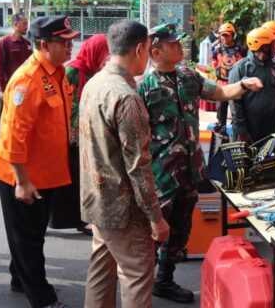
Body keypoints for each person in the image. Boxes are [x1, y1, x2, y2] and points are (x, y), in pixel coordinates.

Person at [138, 23, 263, 303]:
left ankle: (164, 281)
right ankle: (140, 289)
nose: (180, 46)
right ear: (156, 52)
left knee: (181, 229)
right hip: (161, 175)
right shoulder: (143, 88)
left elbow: (219, 93)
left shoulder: (187, 76)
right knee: (154, 233)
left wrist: (243, 84)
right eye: (173, 44)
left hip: (190, 171)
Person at [80, 19, 170, 308]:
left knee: (101, 274)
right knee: (136, 275)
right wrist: (155, 216)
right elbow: (139, 167)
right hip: (124, 210)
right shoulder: (127, 98)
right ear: (140, 49)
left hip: (96, 199)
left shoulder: (94, 83)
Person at [0, 15, 78, 308]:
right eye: (63, 42)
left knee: (31, 233)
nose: (71, 46)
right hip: (24, 176)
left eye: (70, 40)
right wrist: (23, 182)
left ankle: (20, 276)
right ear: (43, 45)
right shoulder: (27, 80)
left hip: (47, 172)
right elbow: (14, 135)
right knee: (29, 239)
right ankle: (42, 299)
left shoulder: (57, 72)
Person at [48, 34, 109, 232]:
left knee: (83, 178)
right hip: (71, 134)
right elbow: (65, 103)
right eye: (104, 52)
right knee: (72, 178)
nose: (107, 57)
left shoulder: (99, 73)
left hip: (89, 134)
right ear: (94, 52)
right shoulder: (73, 70)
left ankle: (81, 218)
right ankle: (73, 219)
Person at [229, 27, 275, 143]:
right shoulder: (240, 68)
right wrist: (242, 131)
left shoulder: (274, 68)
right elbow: (235, 104)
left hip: (270, 131)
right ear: (263, 46)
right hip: (248, 131)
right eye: (273, 44)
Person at [211, 23, 247, 131]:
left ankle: (237, 130)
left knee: (236, 110)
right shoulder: (217, 50)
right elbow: (214, 60)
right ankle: (221, 130)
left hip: (235, 84)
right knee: (221, 109)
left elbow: (246, 62)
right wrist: (216, 69)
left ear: (233, 35)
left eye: (227, 35)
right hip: (221, 85)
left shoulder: (240, 49)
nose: (224, 38)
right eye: (222, 35)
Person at [0, 13, 31, 116]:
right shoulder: (3, 43)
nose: (26, 26)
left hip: (25, 88)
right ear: (16, 24)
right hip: (9, 88)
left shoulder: (27, 44)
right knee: (6, 118)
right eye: (24, 23)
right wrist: (2, 90)